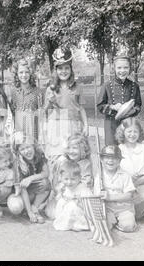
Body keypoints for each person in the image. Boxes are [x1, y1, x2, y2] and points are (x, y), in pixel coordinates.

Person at [42, 47, 88, 178]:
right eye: (60, 68)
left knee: (73, 156)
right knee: (58, 158)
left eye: (66, 68)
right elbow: (45, 113)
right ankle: (57, 188)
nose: (63, 71)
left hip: (73, 125)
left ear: (71, 69)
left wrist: (86, 125)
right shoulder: (50, 89)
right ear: (55, 70)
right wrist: (45, 131)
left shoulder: (77, 87)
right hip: (56, 126)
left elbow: (81, 108)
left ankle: (73, 187)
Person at [96, 55, 142, 145]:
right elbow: (100, 106)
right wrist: (113, 107)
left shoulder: (135, 86)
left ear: (130, 68)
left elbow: (138, 105)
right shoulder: (107, 86)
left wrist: (131, 110)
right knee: (112, 151)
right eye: (119, 68)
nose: (122, 71)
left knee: (128, 151)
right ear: (114, 69)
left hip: (128, 125)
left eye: (126, 67)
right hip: (111, 124)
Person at [45, 134, 93, 219]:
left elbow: (86, 183)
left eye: (75, 148)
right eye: (69, 148)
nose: (71, 151)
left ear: (83, 150)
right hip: (63, 191)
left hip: (77, 194)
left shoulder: (85, 164)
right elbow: (56, 180)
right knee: (52, 213)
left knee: (74, 210)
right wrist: (59, 190)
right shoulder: (63, 161)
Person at [115, 117, 144, 219]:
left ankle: (142, 208)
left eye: (135, 132)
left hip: (142, 182)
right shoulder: (119, 150)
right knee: (125, 200)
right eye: (129, 131)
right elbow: (115, 170)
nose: (132, 135)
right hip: (124, 183)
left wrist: (137, 183)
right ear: (123, 132)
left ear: (140, 133)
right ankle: (132, 210)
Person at [96, 145, 137, 232]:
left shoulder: (125, 175)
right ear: (101, 159)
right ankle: (112, 221)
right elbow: (96, 194)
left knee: (128, 227)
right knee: (104, 227)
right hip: (107, 209)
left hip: (124, 209)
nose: (110, 160)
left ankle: (121, 223)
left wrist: (110, 197)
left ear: (119, 160)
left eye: (114, 158)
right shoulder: (99, 176)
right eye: (107, 157)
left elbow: (129, 195)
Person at [13, 132, 51, 224]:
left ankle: (34, 207)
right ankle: (28, 210)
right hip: (22, 194)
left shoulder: (39, 155)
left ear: (33, 146)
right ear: (18, 152)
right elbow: (22, 188)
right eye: (22, 149)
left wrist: (30, 178)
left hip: (35, 191)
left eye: (28, 147)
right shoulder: (18, 163)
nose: (26, 151)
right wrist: (30, 214)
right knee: (15, 207)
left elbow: (46, 173)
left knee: (46, 183)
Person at [10, 58, 44, 142]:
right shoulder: (13, 91)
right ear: (16, 74)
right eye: (21, 72)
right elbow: (12, 112)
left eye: (27, 72)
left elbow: (41, 113)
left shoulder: (37, 91)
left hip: (33, 126)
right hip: (19, 126)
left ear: (31, 73)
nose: (24, 75)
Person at [53, 160, 92, 231]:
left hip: (81, 212)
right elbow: (61, 198)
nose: (69, 182)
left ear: (79, 178)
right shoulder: (64, 187)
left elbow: (89, 206)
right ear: (61, 178)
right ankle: (64, 222)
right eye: (66, 179)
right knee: (61, 202)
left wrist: (79, 202)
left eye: (73, 179)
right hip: (69, 211)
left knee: (72, 205)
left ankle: (79, 224)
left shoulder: (83, 189)